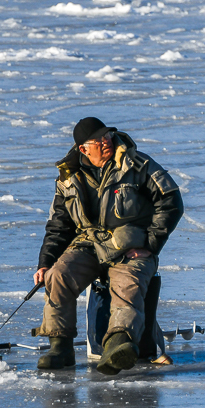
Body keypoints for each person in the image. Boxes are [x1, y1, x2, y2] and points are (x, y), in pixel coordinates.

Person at [32, 117, 183, 375]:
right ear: (83, 149)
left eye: (108, 135)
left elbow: (171, 202)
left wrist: (150, 244)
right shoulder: (67, 177)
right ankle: (60, 347)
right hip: (89, 245)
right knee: (58, 277)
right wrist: (45, 263)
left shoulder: (139, 165)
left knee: (127, 285)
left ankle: (118, 344)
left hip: (130, 247)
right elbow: (59, 225)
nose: (106, 142)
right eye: (98, 140)